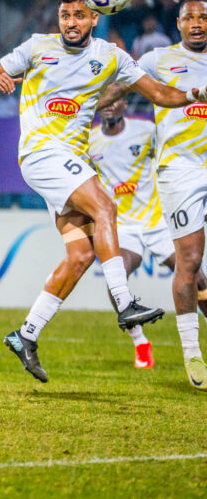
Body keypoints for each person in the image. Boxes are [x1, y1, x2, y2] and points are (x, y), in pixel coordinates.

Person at [0, 0, 207, 383]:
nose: (70, 22)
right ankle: (124, 302)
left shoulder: (110, 57)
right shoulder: (37, 47)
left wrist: (194, 93)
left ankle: (26, 334)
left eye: (79, 16)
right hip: (41, 152)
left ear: (94, 19)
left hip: (71, 161)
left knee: (80, 256)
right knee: (106, 206)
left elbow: (159, 94)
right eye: (65, 15)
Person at [88, 85, 189, 369]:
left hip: (157, 222)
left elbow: (174, 157)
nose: (109, 106)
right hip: (123, 227)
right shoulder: (90, 141)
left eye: (114, 100)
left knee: (197, 278)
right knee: (115, 279)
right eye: (103, 102)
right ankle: (140, 342)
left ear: (124, 104)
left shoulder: (145, 131)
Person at [137, 0, 207, 389]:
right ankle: (193, 355)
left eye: (204, 17)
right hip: (180, 169)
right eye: (189, 17)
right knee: (191, 261)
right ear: (178, 24)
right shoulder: (158, 59)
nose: (197, 22)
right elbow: (118, 82)